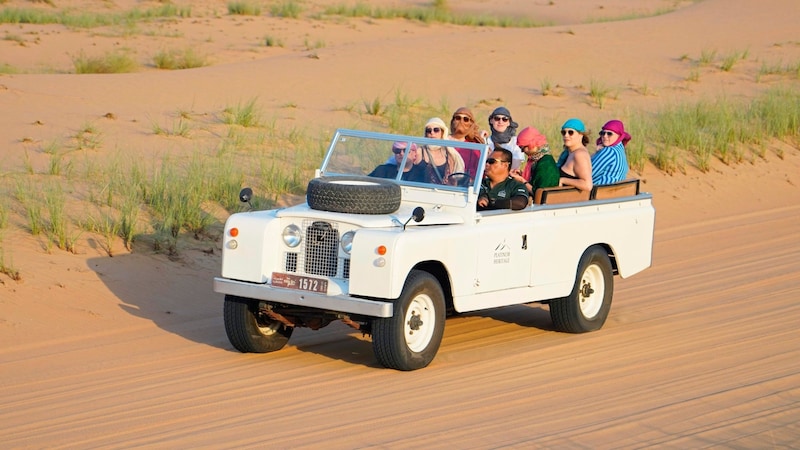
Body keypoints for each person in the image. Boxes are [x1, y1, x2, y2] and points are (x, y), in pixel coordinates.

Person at [510, 126, 559, 196]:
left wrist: (522, 181)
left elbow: (539, 193)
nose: (522, 151)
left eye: (523, 148)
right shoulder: (537, 159)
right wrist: (522, 175)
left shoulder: (545, 163)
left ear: (531, 144)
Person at [420, 117, 465, 185]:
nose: (432, 133)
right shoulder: (420, 152)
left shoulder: (450, 154)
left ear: (442, 133)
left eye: (436, 130)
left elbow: (457, 177)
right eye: (429, 130)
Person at [556, 118, 593, 193]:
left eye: (570, 132)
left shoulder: (579, 155)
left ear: (581, 135)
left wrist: (563, 180)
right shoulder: (568, 153)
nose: (566, 135)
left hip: (569, 201)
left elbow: (587, 185)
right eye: (564, 132)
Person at [449, 107, 485, 181]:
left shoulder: (474, 148)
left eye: (465, 119)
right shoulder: (442, 141)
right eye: (458, 118)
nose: (461, 121)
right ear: (453, 121)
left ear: (470, 124)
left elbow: (478, 172)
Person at [592, 119, 630, 185]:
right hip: (614, 192)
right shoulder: (620, 150)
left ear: (619, 136)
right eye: (602, 133)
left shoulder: (609, 151)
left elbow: (588, 173)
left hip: (600, 192)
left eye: (609, 134)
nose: (605, 136)